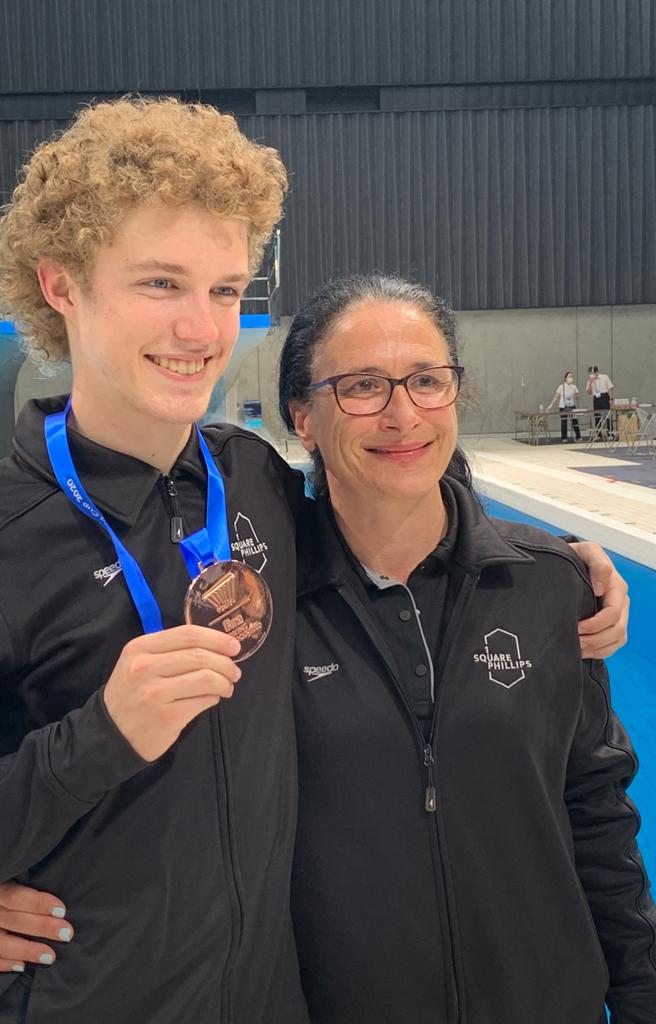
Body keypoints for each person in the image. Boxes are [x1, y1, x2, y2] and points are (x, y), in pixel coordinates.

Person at [0, 97, 310, 1023]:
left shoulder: (261, 485)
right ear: (61, 285)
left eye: (227, 289)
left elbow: (391, 567)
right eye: (160, 283)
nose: (203, 330)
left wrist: (558, 564)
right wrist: (95, 743)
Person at [279, 276, 655, 1024]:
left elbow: (594, 806)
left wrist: (641, 991)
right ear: (303, 418)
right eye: (361, 386)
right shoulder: (260, 608)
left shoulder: (549, 584)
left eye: (426, 380)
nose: (401, 414)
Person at [546, 369, 581, 442]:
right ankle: (564, 437)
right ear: (565, 378)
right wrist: (551, 405)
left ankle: (578, 436)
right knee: (564, 422)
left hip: (571, 406)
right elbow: (556, 396)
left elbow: (577, 395)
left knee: (575, 421)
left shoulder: (574, 386)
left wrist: (575, 396)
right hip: (563, 407)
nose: (571, 378)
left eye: (571, 376)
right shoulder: (561, 387)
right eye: (569, 376)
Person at [586, 364, 615, 440]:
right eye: (590, 374)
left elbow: (610, 388)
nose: (592, 375)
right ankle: (598, 434)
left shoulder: (604, 377)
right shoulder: (590, 380)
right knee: (597, 416)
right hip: (596, 398)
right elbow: (588, 392)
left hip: (604, 397)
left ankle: (610, 434)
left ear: (597, 372)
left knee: (606, 416)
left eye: (593, 373)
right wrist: (590, 383)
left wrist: (610, 399)